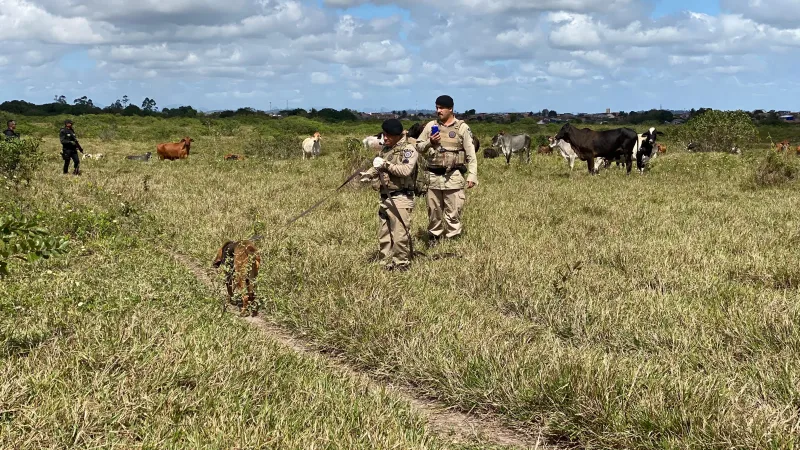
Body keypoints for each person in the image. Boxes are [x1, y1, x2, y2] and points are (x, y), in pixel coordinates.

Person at [414, 95, 477, 244]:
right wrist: (430, 142)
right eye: (436, 107)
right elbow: (418, 146)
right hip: (433, 176)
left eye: (441, 108)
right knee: (434, 210)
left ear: (450, 109)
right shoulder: (430, 126)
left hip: (453, 176)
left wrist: (472, 175)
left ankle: (453, 239)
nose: (438, 111)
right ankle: (434, 237)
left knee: (453, 211)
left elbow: (471, 154)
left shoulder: (462, 128)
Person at [359, 118, 418, 271]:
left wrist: (385, 164)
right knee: (384, 233)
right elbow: (377, 166)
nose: (385, 138)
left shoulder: (409, 150)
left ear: (398, 135)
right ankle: (385, 261)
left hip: (401, 197)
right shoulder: (385, 149)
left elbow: (405, 171)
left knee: (399, 234)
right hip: (385, 197)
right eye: (384, 134)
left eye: (389, 135)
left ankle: (401, 264)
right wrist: (368, 174)